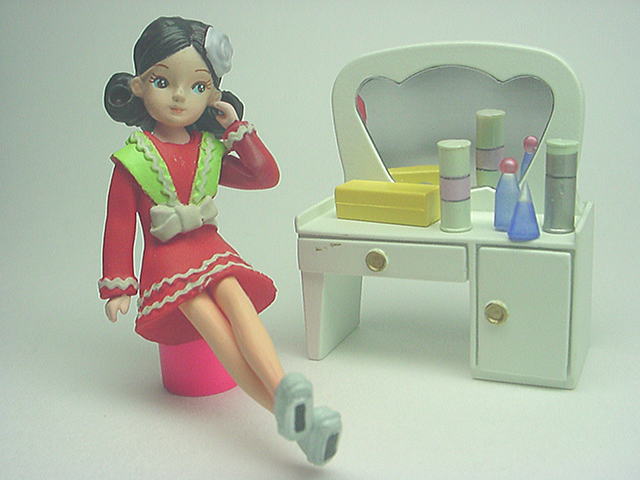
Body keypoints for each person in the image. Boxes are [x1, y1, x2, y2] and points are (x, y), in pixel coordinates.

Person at [99, 16, 340, 466]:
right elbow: (118, 225)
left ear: (213, 95)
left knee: (237, 303)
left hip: (210, 250)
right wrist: (119, 285)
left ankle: (285, 391)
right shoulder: (134, 158)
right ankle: (289, 414)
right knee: (212, 324)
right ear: (138, 86)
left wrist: (236, 130)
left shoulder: (209, 148)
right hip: (167, 262)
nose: (178, 97)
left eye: (197, 86)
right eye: (162, 81)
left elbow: (264, 176)